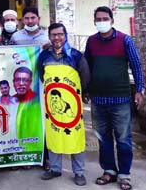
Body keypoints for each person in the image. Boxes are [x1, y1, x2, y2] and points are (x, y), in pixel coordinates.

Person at [84, 6, 144, 190]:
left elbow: (136, 66)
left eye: (105, 18)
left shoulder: (125, 40)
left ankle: (124, 174)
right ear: (94, 22)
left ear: (112, 20)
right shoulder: (91, 41)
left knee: (123, 139)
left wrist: (139, 90)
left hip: (120, 100)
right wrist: (85, 89)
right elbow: (86, 66)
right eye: (98, 19)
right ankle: (109, 170)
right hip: (98, 100)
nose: (102, 22)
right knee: (103, 138)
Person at [38, 23, 90, 186]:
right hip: (52, 107)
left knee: (75, 137)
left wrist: (79, 94)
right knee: (53, 135)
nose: (56, 38)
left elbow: (85, 77)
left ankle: (79, 172)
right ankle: (55, 168)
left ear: (65, 35)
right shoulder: (44, 56)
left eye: (60, 34)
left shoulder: (75, 56)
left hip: (72, 106)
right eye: (53, 35)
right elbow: (42, 75)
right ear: (49, 37)